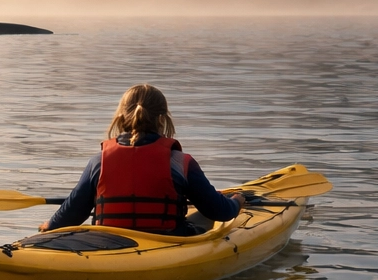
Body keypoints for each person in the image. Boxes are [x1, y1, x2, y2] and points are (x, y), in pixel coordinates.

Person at [41, 83, 245, 236]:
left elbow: (73, 213)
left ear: (121, 117)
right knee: (205, 222)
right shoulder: (180, 162)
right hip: (167, 241)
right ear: (162, 119)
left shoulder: (99, 162)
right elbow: (221, 212)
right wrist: (237, 201)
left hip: (109, 241)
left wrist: (49, 226)